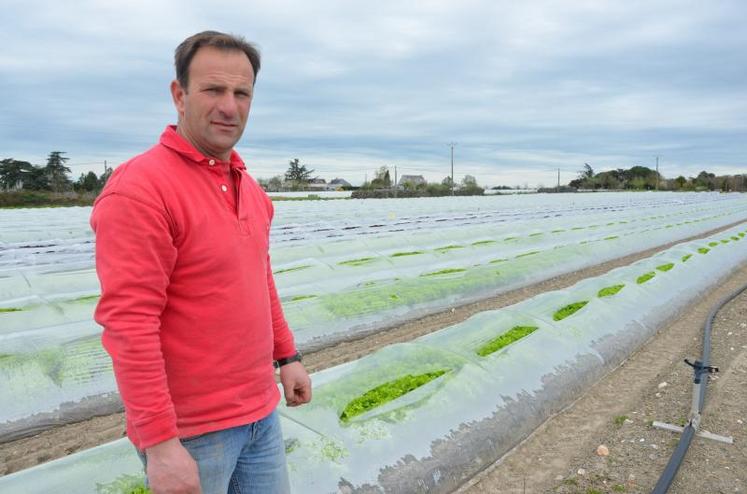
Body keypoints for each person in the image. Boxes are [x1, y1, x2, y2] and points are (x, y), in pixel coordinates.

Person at [90, 31, 312, 494]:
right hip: (191, 434)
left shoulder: (251, 189)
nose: (229, 106)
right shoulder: (141, 189)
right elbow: (129, 324)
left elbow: (259, 281)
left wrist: (286, 356)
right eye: (213, 90)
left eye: (242, 93)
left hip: (260, 416)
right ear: (179, 95)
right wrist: (161, 445)